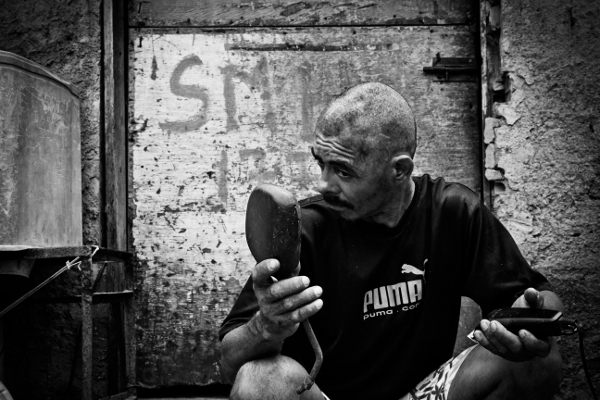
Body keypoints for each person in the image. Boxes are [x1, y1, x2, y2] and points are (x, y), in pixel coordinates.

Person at [218, 82, 563, 400]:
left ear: (399, 170)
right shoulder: (305, 230)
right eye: (321, 163)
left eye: (343, 171)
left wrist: (533, 319)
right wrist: (266, 326)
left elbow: (539, 300)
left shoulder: (452, 212)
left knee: (538, 360)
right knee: (258, 380)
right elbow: (231, 366)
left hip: (423, 394)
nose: (323, 184)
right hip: (323, 396)